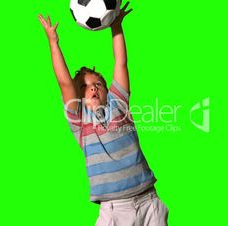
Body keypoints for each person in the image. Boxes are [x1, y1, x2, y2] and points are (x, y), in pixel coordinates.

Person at [38, 2, 168, 225]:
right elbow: (64, 82)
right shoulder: (79, 121)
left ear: (108, 90)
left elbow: (121, 62)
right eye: (85, 86)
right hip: (114, 209)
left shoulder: (119, 104)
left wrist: (116, 27)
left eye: (98, 83)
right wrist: (53, 43)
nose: (93, 87)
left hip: (148, 200)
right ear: (78, 98)